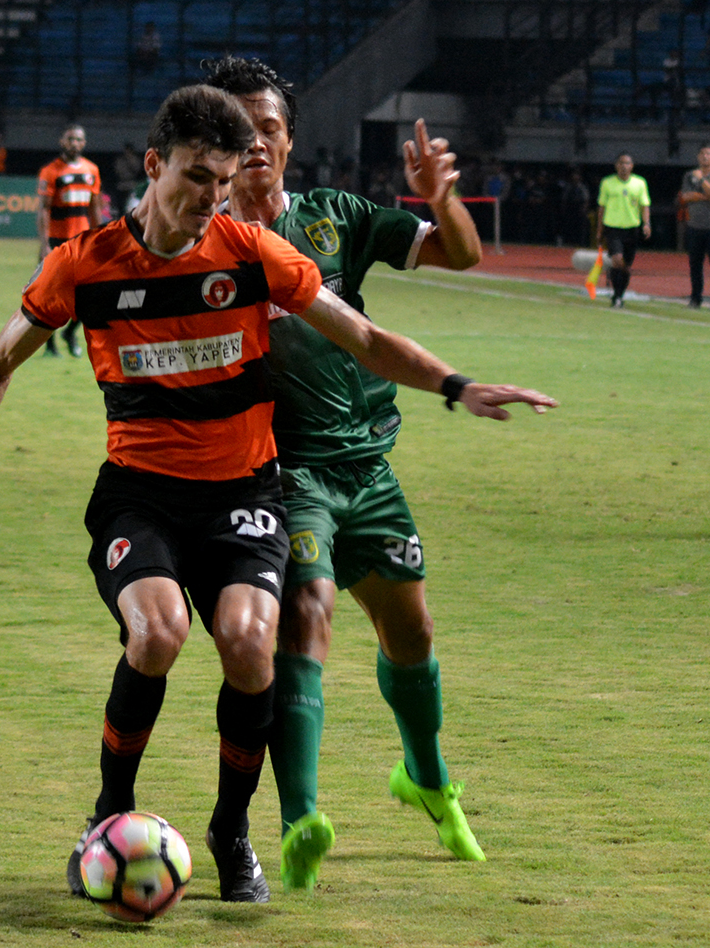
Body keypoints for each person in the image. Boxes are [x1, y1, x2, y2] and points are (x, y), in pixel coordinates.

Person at [0, 84, 554, 906]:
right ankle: (108, 815)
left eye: (220, 182)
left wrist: (458, 385)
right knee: (158, 631)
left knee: (250, 644)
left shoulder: (250, 252)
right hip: (139, 494)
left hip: (243, 493)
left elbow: (364, 337)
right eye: (193, 179)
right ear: (154, 165)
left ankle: (232, 830)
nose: (208, 199)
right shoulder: (86, 264)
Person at [202, 55, 495, 893]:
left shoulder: (335, 218)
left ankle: (426, 778)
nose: (255, 141)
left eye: (269, 126)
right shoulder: (203, 234)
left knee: (414, 635)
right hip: (281, 471)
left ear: (292, 139)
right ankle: (300, 820)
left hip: (366, 461)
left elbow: (460, 254)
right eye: (238, 128)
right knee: (308, 611)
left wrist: (440, 196)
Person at [36, 124, 103, 357]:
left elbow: (95, 207)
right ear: (62, 142)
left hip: (82, 241)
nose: (75, 143)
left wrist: (99, 236)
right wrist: (44, 244)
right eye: (70, 139)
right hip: (56, 241)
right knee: (49, 294)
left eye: (79, 139)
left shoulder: (92, 170)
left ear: (84, 143)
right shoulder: (50, 171)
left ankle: (69, 332)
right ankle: (50, 347)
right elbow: (43, 209)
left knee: (92, 293)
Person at [595, 153, 652, 308]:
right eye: (620, 163)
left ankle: (619, 295)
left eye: (627, 163)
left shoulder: (639, 183)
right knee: (617, 260)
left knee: (626, 266)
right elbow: (602, 207)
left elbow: (644, 205)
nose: (623, 166)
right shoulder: (607, 183)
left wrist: (646, 224)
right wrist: (599, 230)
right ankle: (616, 295)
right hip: (613, 228)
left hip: (631, 229)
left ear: (631, 166)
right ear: (616, 165)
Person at [678, 144, 710, 308]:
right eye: (701, 153)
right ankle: (695, 298)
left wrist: (701, 180)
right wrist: (708, 196)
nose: (705, 156)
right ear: (697, 156)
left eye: (708, 153)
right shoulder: (689, 175)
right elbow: (686, 197)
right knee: (695, 264)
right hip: (694, 225)